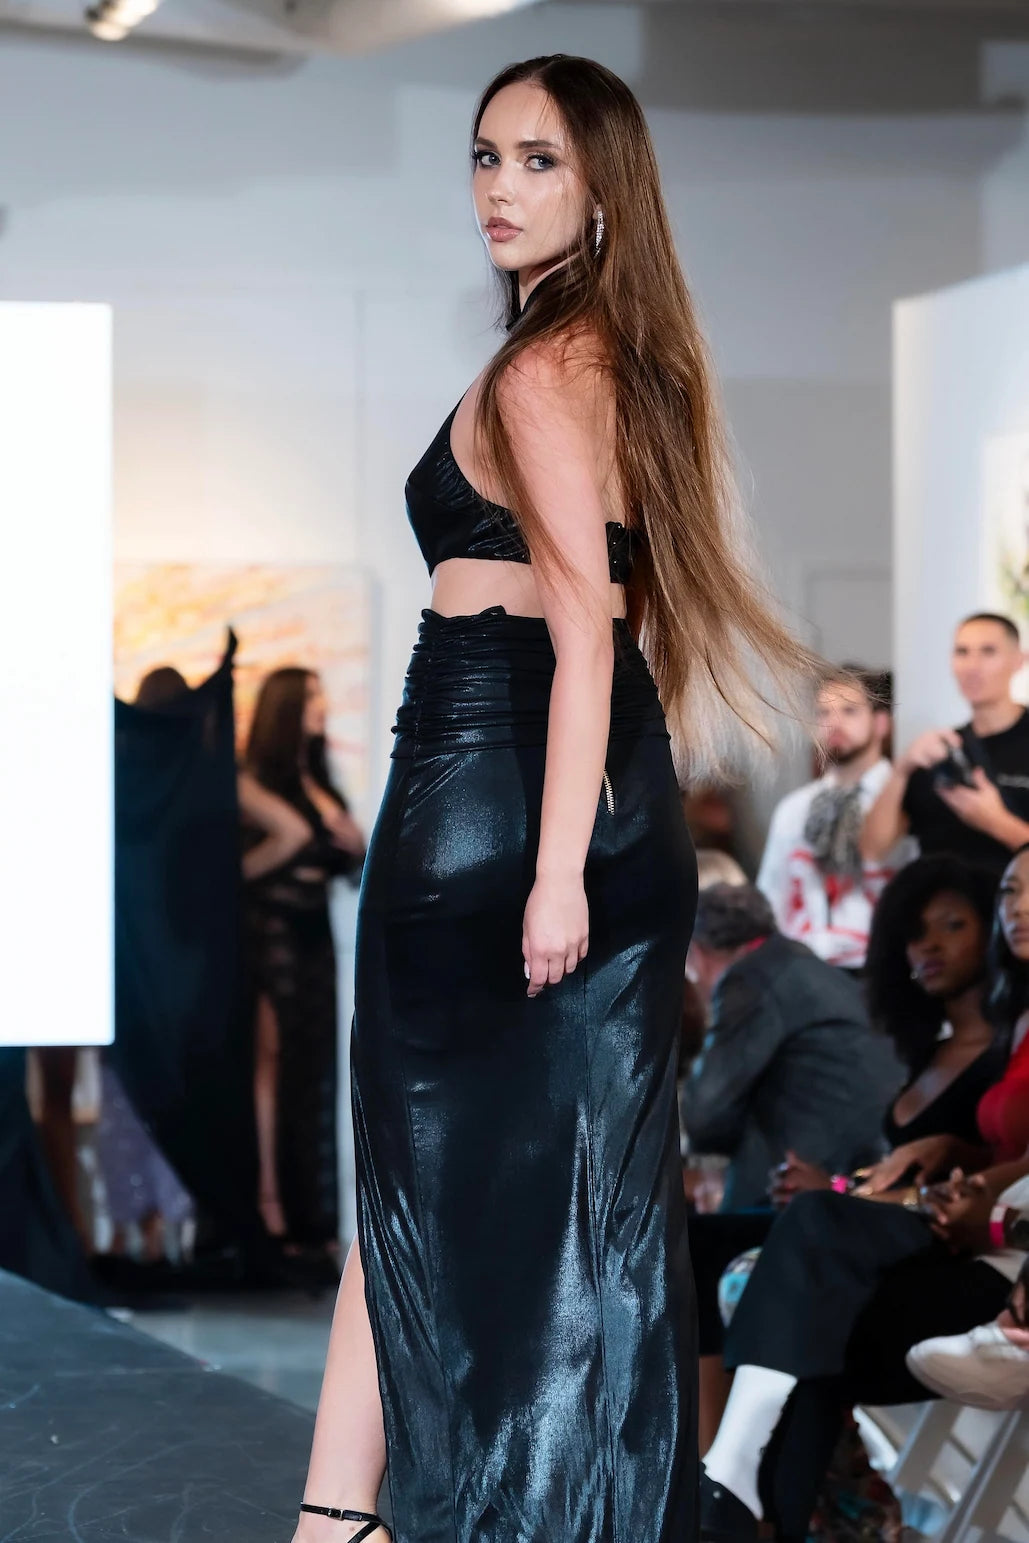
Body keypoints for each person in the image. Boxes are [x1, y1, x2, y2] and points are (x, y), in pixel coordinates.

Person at [292, 54, 818, 1543]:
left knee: (424, 1168)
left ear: (602, 190)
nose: (498, 189)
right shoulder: (615, 361)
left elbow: (587, 628)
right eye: (484, 156)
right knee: (562, 1190)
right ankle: (380, 1514)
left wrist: (553, 870)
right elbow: (615, 633)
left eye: (537, 161)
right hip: (577, 792)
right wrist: (578, 851)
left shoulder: (546, 369)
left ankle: (352, 1517)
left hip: (498, 794)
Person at [699, 846, 1029, 1543]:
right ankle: (735, 1492)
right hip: (947, 1219)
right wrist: (944, 1155)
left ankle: (745, 1486)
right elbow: (986, 1159)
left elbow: (989, 1178)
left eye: (952, 925)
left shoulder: (1003, 1047)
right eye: (1009, 892)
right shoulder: (953, 1045)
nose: (927, 946)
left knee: (802, 1268)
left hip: (982, 1243)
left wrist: (920, 1181)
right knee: (714, 1248)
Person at [681, 883, 900, 1212]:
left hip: (808, 1187)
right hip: (868, 1167)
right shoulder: (799, 962)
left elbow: (704, 1115)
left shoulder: (749, 979)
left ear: (696, 952)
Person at [244, 667, 365, 1262]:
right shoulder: (251, 780)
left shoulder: (319, 780)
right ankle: (269, 1207)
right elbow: (279, 844)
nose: (322, 705)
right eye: (313, 696)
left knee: (315, 1068)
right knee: (272, 1063)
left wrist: (356, 847)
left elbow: (347, 863)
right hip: (271, 931)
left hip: (314, 931)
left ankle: (310, 1214)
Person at [757, 667, 911, 971]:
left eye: (849, 711)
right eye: (823, 713)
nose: (834, 723)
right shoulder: (795, 809)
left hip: (884, 965)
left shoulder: (903, 800)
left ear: (881, 723)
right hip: (806, 966)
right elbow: (771, 899)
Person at [862, 613, 1029, 876]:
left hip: (1011, 900)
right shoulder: (938, 750)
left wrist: (997, 822)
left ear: (1019, 660)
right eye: (962, 652)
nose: (972, 665)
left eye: (988, 651)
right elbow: (872, 851)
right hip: (937, 898)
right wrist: (902, 769)